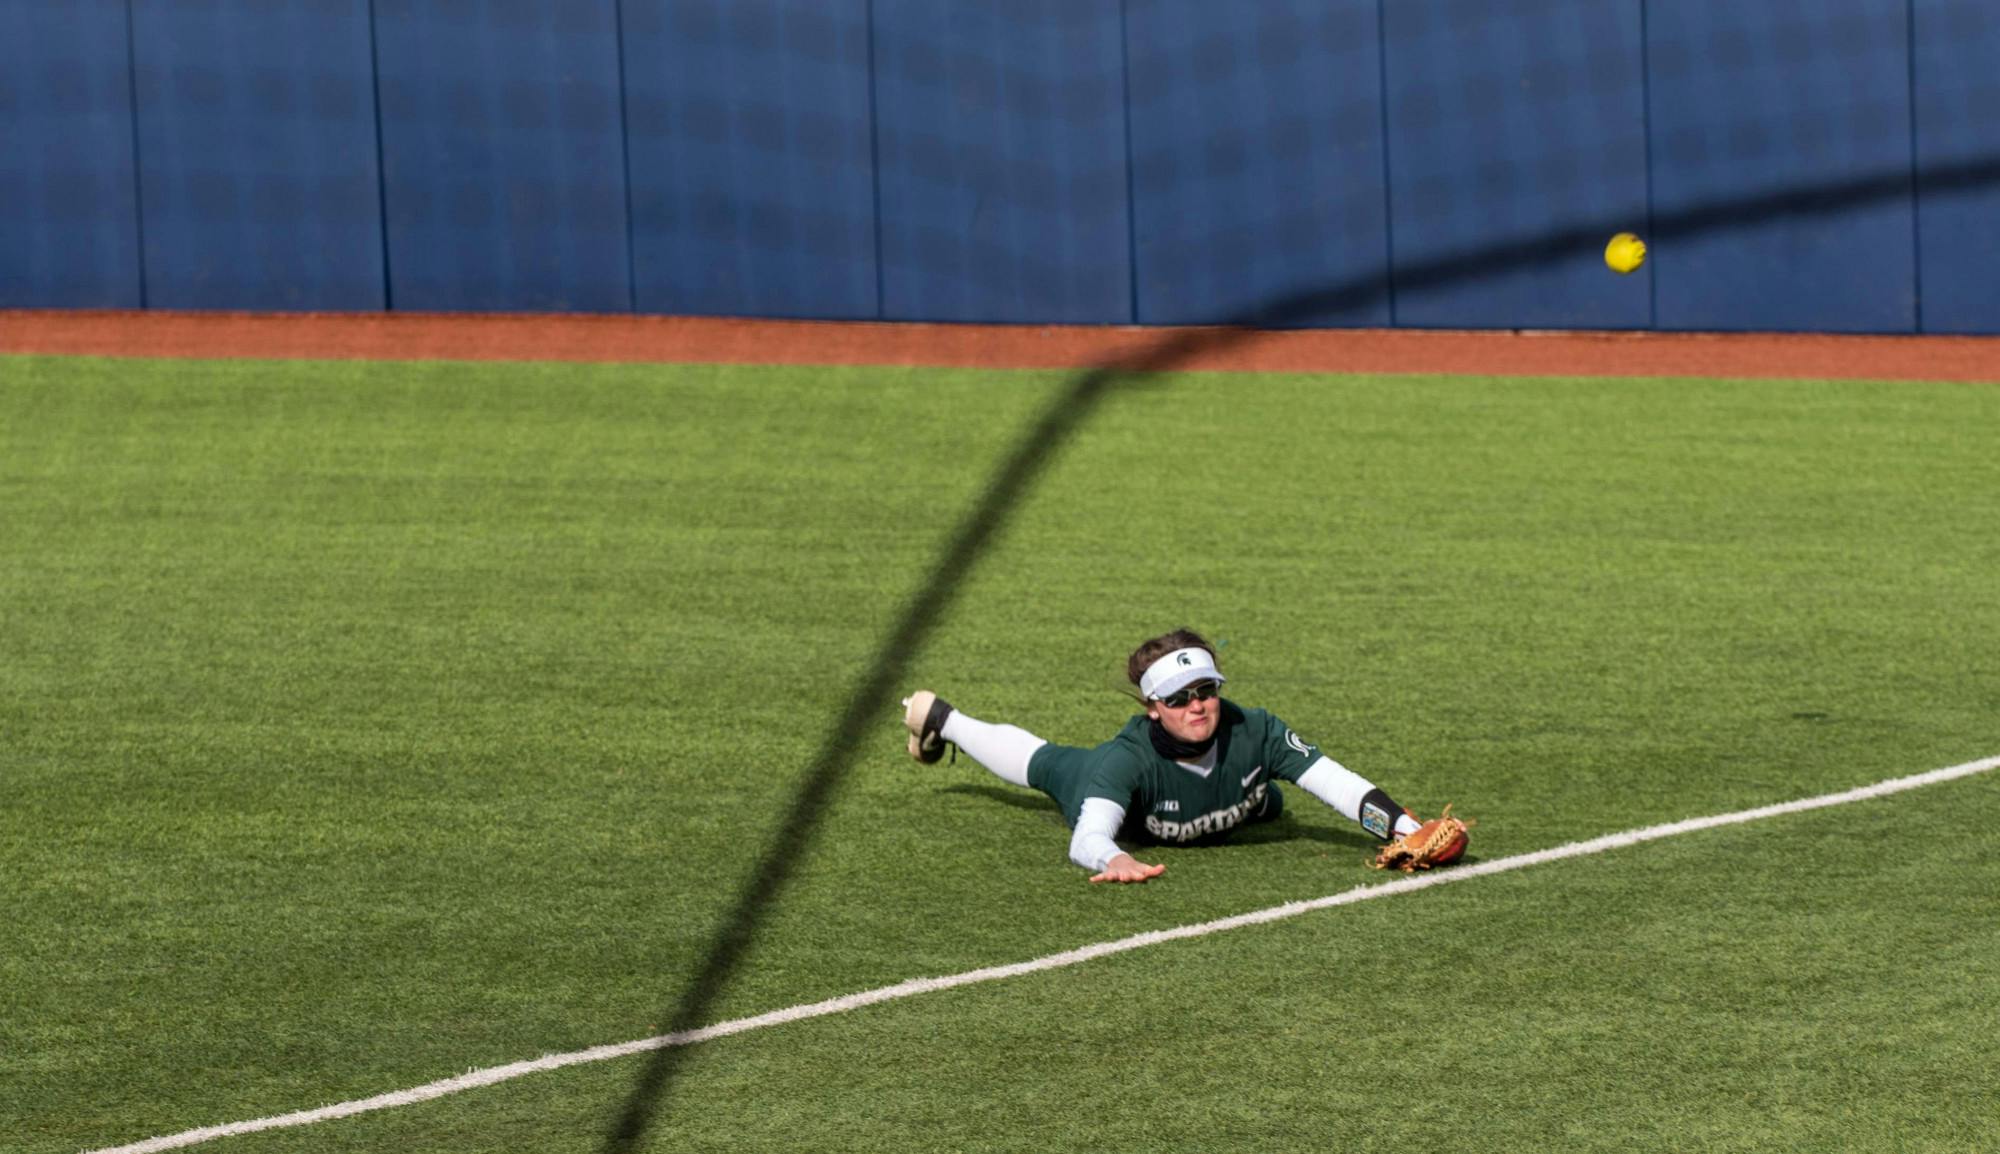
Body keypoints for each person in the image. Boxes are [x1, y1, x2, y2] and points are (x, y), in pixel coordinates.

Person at [900, 628, 1441, 883]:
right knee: (1049, 764)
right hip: (1110, 786)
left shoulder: (1256, 731)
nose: (1197, 706)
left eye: (1206, 690)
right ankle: (945, 720)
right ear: (1154, 707)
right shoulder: (1124, 761)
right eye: (1180, 698)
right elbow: (1086, 838)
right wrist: (1114, 859)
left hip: (1232, 803)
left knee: (1271, 803)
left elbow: (1337, 783)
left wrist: (1404, 827)